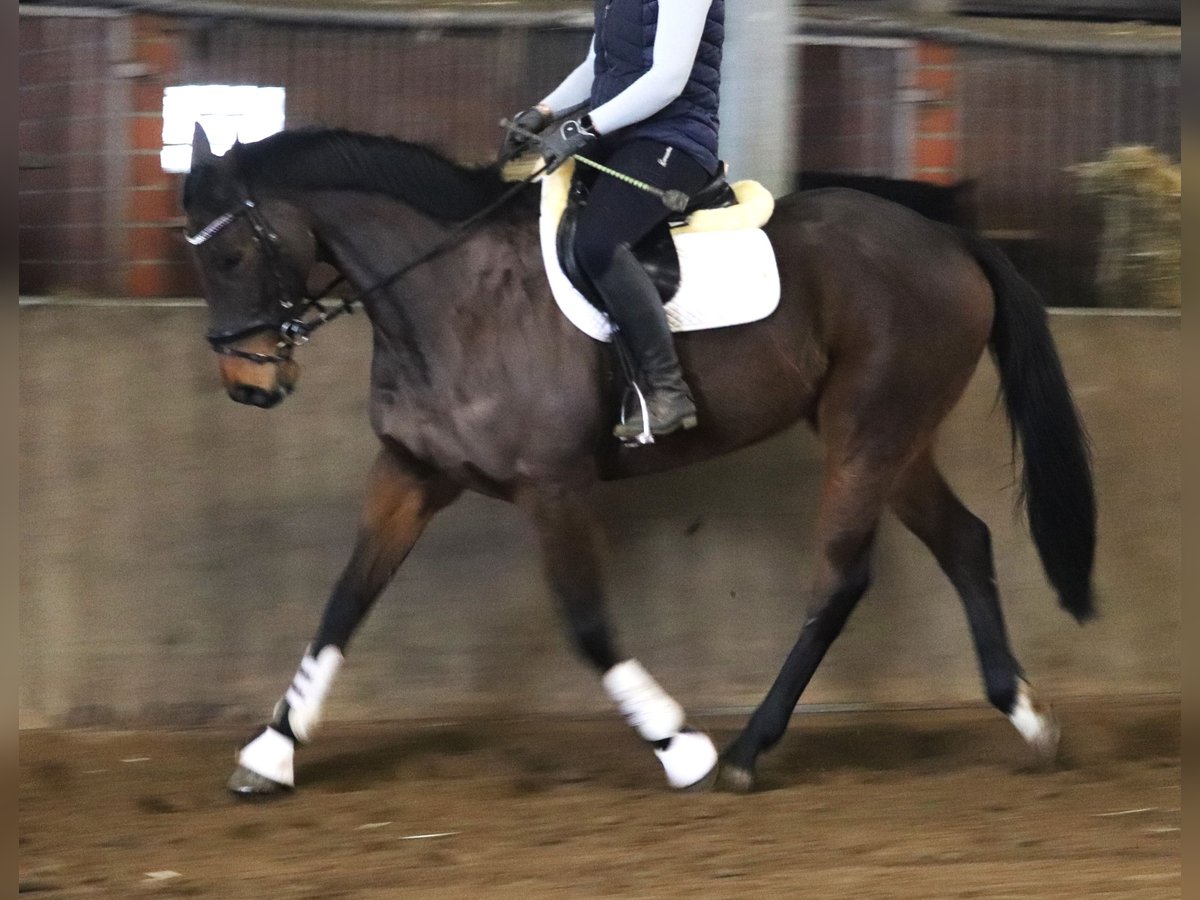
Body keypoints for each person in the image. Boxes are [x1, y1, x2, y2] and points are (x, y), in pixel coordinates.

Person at [502, 0, 725, 440]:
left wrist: (583, 127)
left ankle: (668, 388)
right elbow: (596, 66)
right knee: (519, 208)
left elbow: (667, 80)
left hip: (673, 139)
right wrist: (544, 112)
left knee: (598, 242)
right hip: (616, 137)